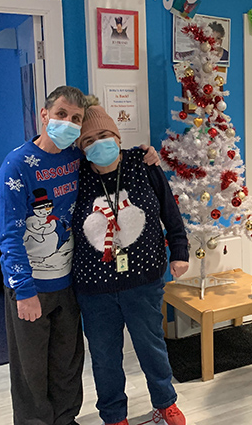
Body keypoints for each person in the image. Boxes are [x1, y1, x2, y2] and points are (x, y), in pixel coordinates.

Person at [0, 85, 159, 425]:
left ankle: (66, 419)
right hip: (30, 286)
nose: (67, 123)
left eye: (75, 118)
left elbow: (111, 158)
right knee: (31, 369)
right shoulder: (16, 167)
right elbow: (9, 236)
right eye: (61, 115)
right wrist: (23, 291)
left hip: (70, 283)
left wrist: (146, 154)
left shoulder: (76, 158)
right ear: (45, 115)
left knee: (67, 362)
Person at [72, 98, 190, 425]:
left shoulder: (143, 163)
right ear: (81, 148)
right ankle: (113, 417)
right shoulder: (75, 176)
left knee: (152, 348)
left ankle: (165, 403)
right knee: (105, 359)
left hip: (143, 281)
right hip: (94, 289)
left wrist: (179, 250)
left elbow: (170, 211)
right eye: (90, 141)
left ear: (118, 137)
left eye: (105, 136)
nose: (99, 145)